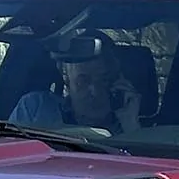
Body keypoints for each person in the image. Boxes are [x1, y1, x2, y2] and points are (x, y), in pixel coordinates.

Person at [10, 34, 143, 134]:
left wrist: (130, 123)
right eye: (83, 81)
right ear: (66, 79)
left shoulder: (128, 127)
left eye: (104, 80)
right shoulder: (36, 109)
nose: (95, 91)